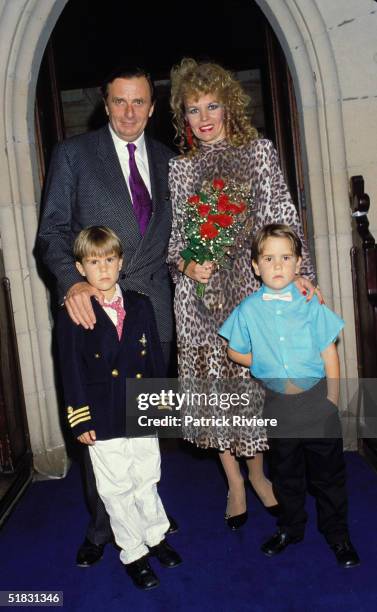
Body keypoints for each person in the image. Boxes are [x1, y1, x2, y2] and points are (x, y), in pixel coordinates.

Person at [168, 58, 318, 529]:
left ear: (230, 106)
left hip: (252, 295)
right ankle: (233, 480)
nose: (204, 117)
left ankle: (257, 474)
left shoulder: (259, 153)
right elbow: (173, 241)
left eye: (212, 105)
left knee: (252, 391)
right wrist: (187, 264)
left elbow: (283, 218)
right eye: (193, 110)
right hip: (199, 302)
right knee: (216, 396)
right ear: (183, 117)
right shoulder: (179, 169)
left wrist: (301, 273)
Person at [37, 66, 177, 566]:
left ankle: (148, 518)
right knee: (101, 433)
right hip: (91, 313)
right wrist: (73, 283)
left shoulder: (167, 159)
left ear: (152, 106)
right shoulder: (73, 155)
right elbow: (51, 232)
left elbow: (172, 240)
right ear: (105, 103)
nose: (130, 111)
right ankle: (104, 529)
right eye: (120, 101)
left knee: (141, 436)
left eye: (139, 102)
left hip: (153, 316)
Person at [219, 223, 360, 568]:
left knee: (328, 476)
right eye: (269, 258)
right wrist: (262, 360)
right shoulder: (249, 310)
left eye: (285, 258)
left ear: (298, 264)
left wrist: (332, 399)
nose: (278, 265)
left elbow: (329, 351)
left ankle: (337, 533)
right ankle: (290, 528)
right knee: (285, 474)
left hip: (317, 402)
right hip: (278, 405)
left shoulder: (310, 302)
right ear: (256, 266)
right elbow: (235, 352)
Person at [57, 226, 182, 589]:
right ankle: (134, 553)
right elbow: (70, 369)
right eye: (94, 262)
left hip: (140, 407)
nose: (104, 268)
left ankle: (156, 537)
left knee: (147, 476)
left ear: (121, 261)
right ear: (81, 268)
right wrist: (80, 419)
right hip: (103, 414)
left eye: (110, 259)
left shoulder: (140, 303)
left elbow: (154, 356)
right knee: (117, 489)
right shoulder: (73, 313)